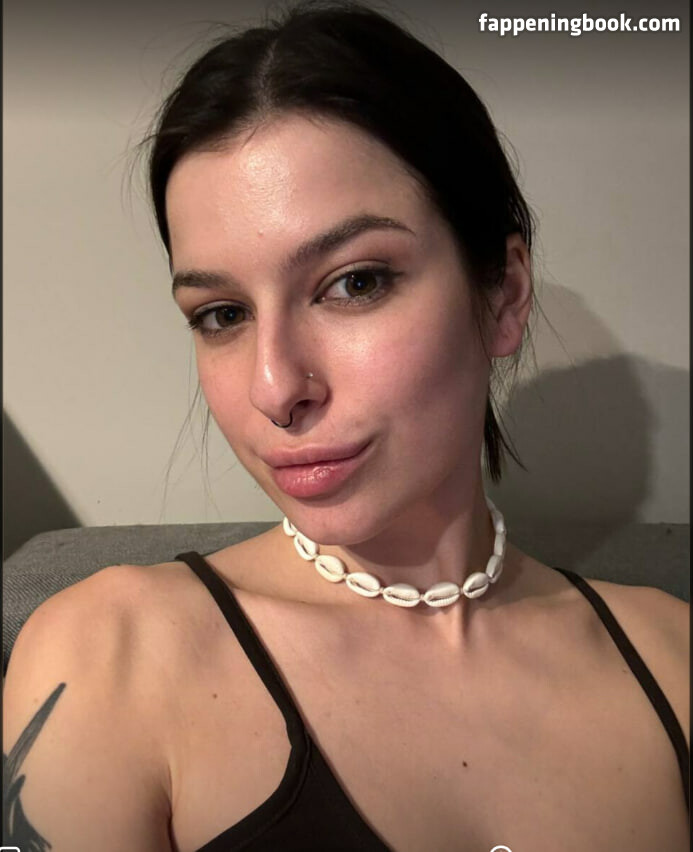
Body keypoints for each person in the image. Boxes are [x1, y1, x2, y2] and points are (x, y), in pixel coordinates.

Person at [3, 2, 689, 850]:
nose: (274, 388)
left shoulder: (671, 662)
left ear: (504, 295)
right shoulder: (109, 655)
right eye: (221, 313)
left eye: (354, 282)